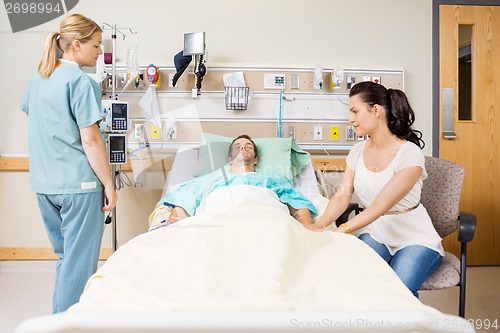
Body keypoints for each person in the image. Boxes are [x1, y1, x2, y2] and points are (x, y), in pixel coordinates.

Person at [309, 81, 444, 298]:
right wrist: (320, 225)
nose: (350, 119)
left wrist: (343, 230)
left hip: (414, 235)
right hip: (376, 230)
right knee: (359, 282)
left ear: (376, 110)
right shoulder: (357, 151)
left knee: (398, 291)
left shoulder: (409, 154)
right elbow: (342, 194)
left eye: (355, 111)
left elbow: (381, 205)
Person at [21, 14, 117, 313]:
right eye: (97, 45)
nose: (100, 52)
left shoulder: (40, 77)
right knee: (79, 264)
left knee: (66, 258)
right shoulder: (81, 82)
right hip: (79, 185)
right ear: (77, 45)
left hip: (45, 184)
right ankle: (68, 323)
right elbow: (90, 140)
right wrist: (109, 185)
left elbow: (35, 116)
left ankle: (58, 318)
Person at [161, 134, 316, 226]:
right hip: (218, 221)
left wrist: (307, 231)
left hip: (268, 222)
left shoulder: (273, 179)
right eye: (238, 146)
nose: (243, 147)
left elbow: (298, 205)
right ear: (229, 159)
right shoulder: (213, 179)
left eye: (249, 146)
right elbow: (185, 202)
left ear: (256, 159)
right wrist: (174, 228)